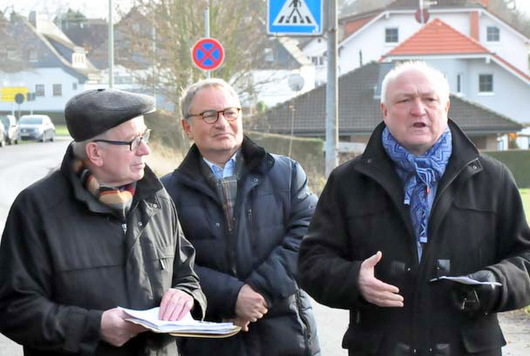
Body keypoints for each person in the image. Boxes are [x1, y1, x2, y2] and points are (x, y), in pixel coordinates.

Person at [298, 61, 530, 356]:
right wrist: (353, 279)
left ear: (446, 107)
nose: (418, 110)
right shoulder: (348, 181)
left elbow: (525, 259)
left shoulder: (492, 178)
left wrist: (496, 282)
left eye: (429, 99)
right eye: (404, 100)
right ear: (384, 110)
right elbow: (311, 263)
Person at [0, 89, 207, 356]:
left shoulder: (157, 199)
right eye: (134, 141)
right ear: (95, 153)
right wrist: (93, 327)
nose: (146, 149)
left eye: (145, 136)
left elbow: (187, 275)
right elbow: (13, 308)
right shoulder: (36, 209)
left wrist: (187, 297)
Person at [161, 78, 320, 356]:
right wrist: (232, 297)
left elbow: (308, 238)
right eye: (209, 115)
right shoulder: (167, 192)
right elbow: (168, 262)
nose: (222, 123)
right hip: (210, 340)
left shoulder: (287, 173)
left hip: (287, 335)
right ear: (187, 127)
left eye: (230, 112)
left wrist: (257, 293)